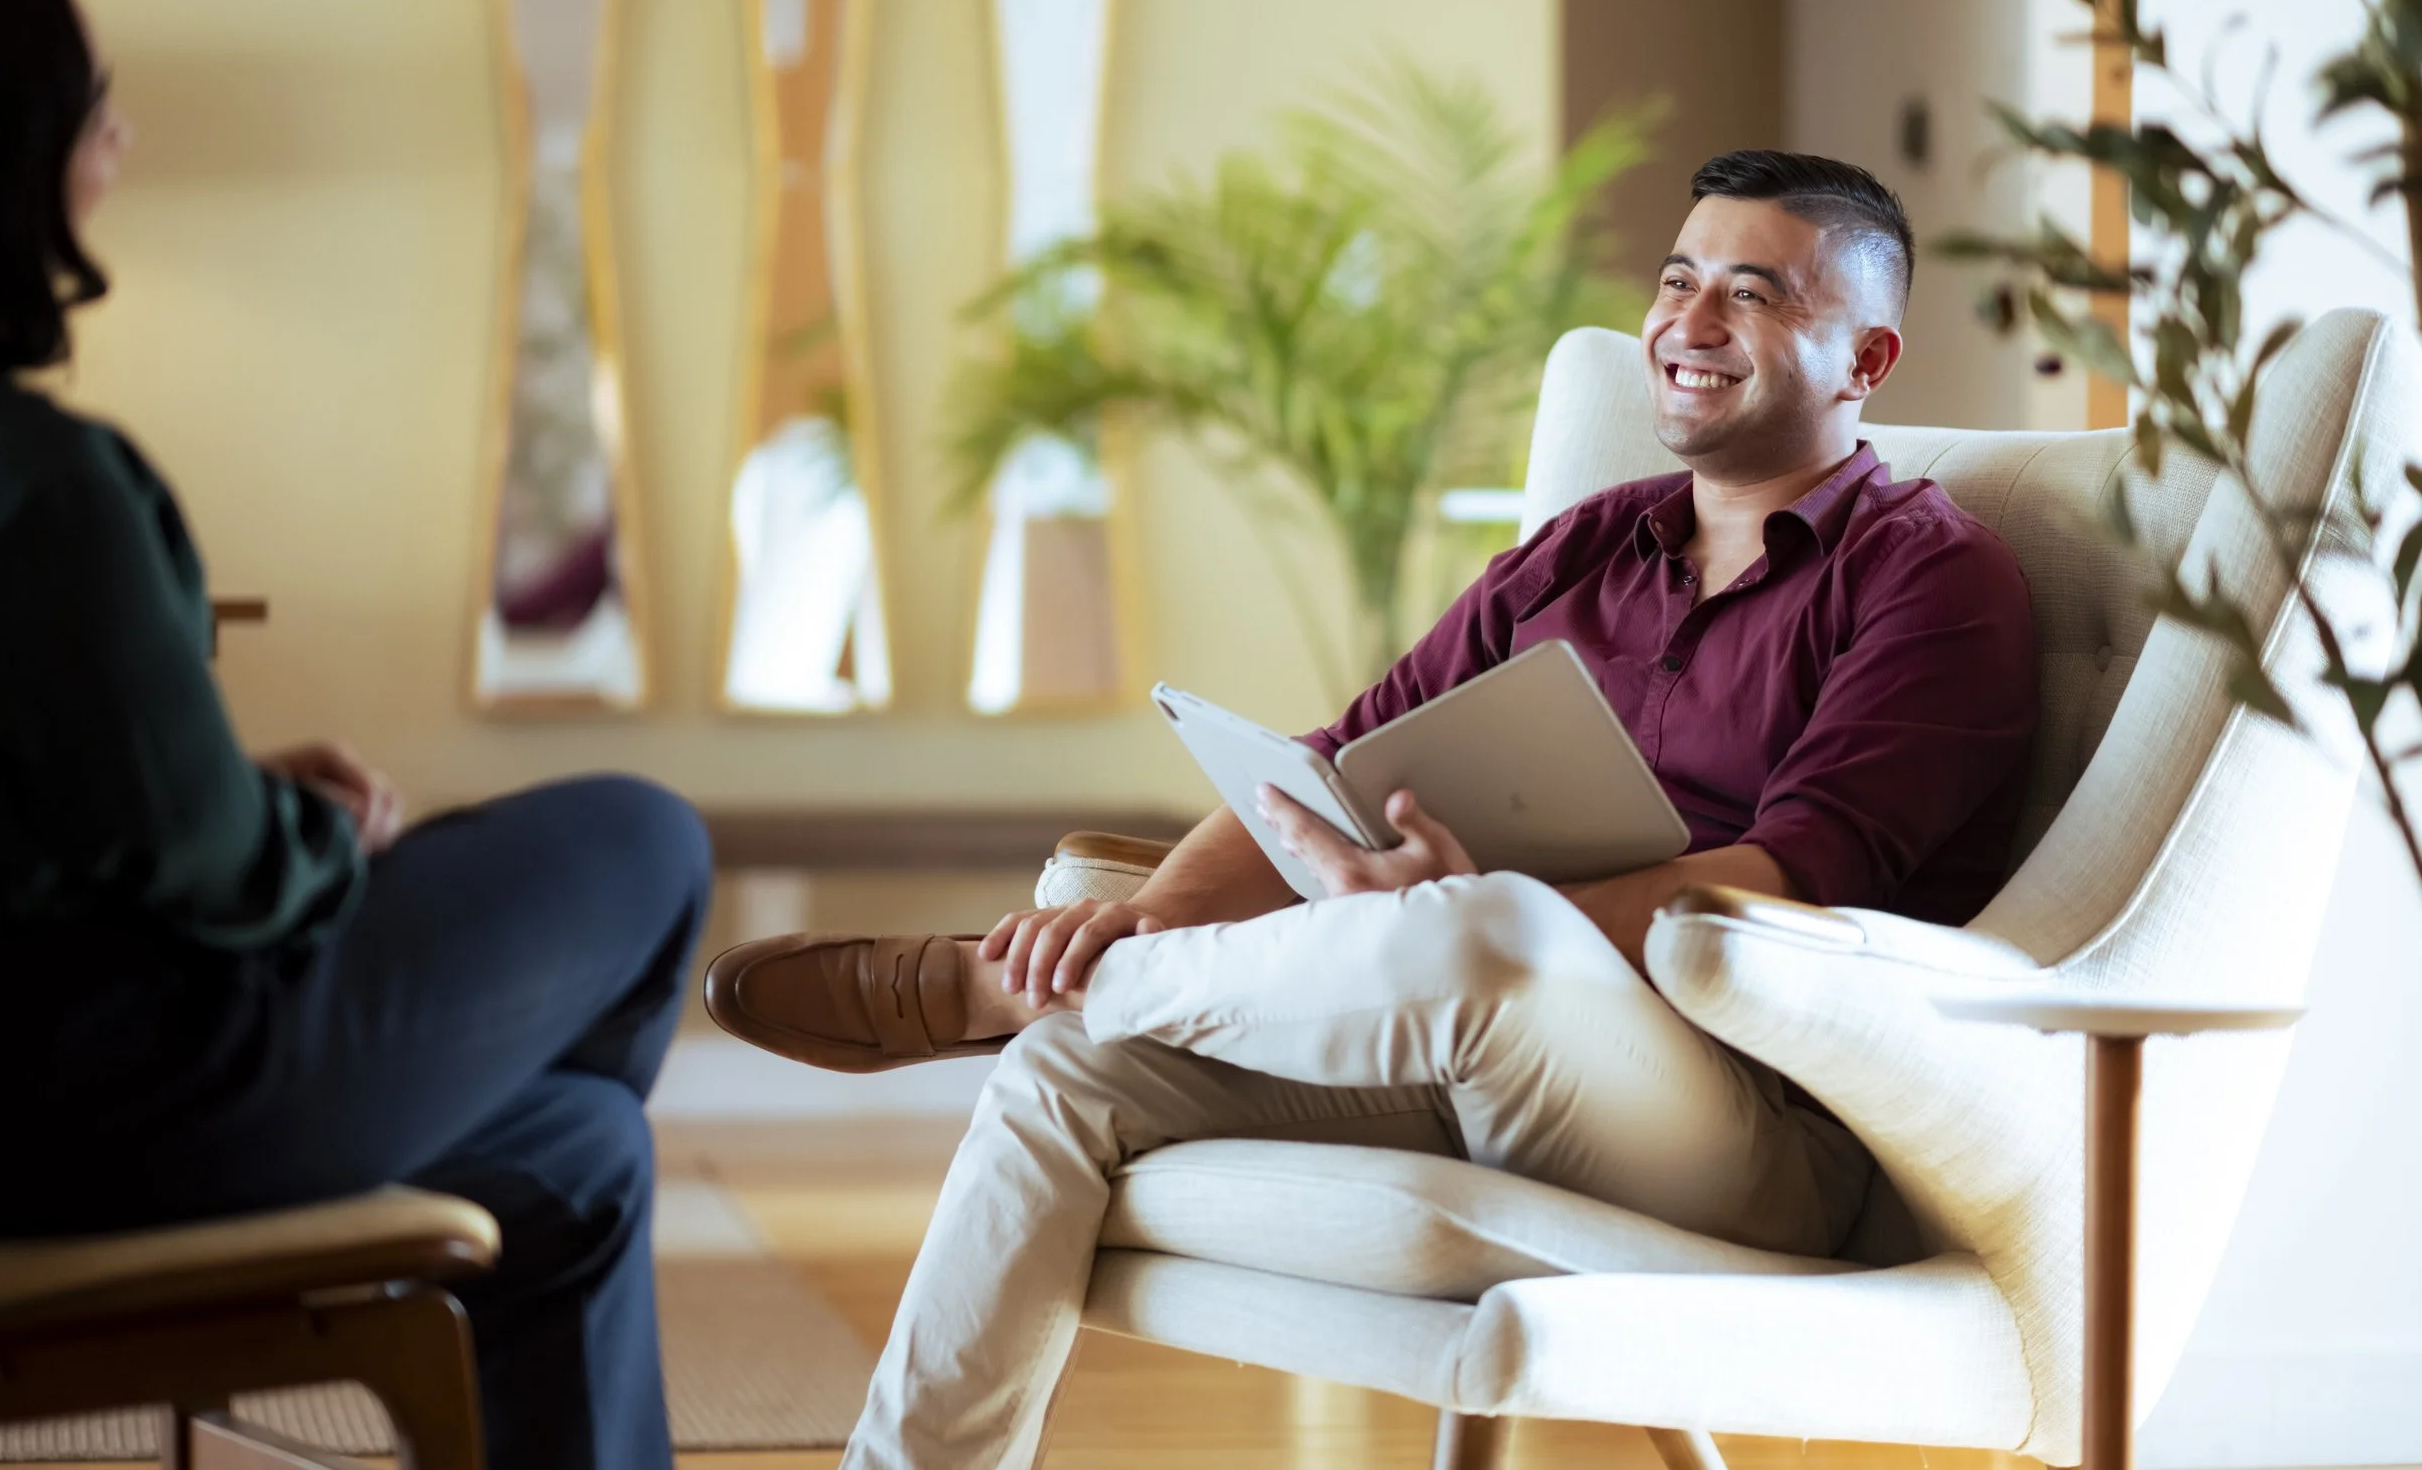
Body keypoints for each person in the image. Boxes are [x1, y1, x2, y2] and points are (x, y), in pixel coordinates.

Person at [713, 148, 2042, 1470]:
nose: (1688, 325)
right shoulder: (1586, 549)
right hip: (1469, 1037)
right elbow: (1331, 764)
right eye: (1677, 278)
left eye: (1750, 296)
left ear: (1867, 361)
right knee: (1067, 1071)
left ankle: (1000, 983)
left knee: (1487, 932)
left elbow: (1789, 881)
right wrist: (1143, 914)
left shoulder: (1935, 582)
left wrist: (1462, 916)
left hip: (1754, 1126)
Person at [0, 0, 709, 1470]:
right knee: (645, 837)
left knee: (580, 1155)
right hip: (99, 1101)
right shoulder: (38, 488)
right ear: (5, 154)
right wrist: (309, 827)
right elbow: (234, 879)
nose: (121, 135)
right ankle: (375, 1188)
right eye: (92, 104)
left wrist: (220, 793)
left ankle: (430, 1195)